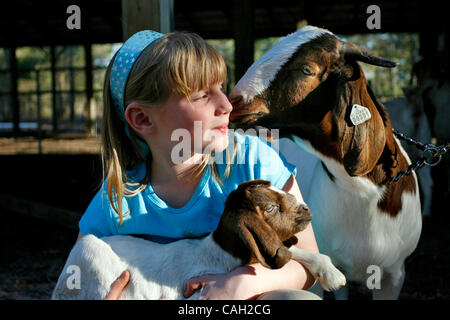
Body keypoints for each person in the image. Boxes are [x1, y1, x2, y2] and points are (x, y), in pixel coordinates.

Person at [77, 30, 321, 300]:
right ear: (143, 119)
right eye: (202, 95)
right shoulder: (118, 199)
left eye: (220, 88)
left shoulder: (253, 162)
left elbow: (309, 263)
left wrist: (245, 283)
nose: (226, 104)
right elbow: (76, 276)